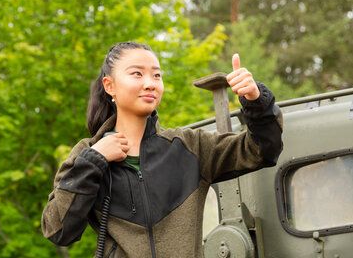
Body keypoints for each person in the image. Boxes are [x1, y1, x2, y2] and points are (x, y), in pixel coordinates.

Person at [41, 42, 283, 258]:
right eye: (137, 73)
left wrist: (256, 100)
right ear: (109, 85)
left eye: (156, 76)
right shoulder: (88, 154)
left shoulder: (190, 146)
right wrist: (94, 161)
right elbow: (58, 230)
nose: (150, 84)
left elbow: (262, 151)